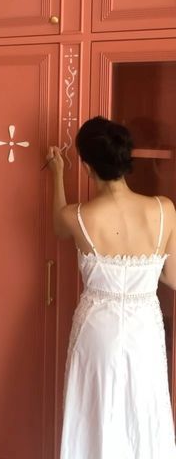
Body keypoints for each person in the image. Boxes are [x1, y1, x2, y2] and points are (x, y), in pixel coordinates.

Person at [47, 116, 176, 459]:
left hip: (97, 329)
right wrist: (144, 272)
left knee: (95, 413)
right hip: (145, 329)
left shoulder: (77, 216)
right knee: (143, 412)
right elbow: (173, 277)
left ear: (87, 167)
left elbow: (58, 226)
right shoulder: (165, 209)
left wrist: (58, 173)